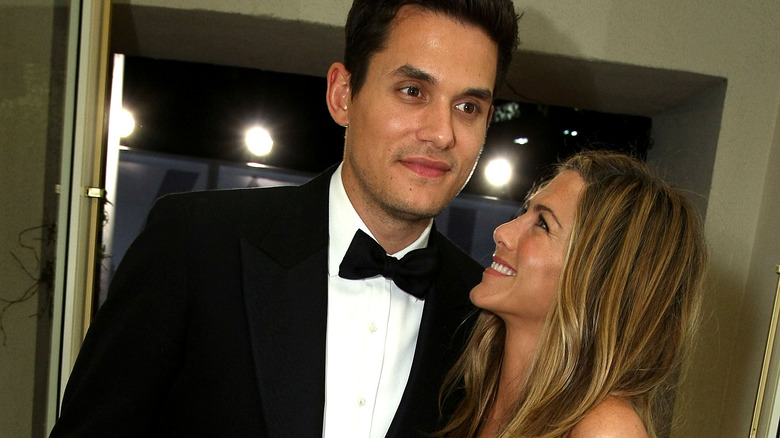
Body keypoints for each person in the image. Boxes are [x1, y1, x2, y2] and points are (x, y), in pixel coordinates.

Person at [49, 1, 520, 437]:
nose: (441, 133)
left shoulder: (485, 316)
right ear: (343, 94)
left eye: (468, 107)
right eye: (412, 90)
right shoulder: (196, 242)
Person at [438, 150, 708, 438]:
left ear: (595, 278)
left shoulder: (606, 429)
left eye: (542, 224)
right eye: (524, 211)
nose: (502, 232)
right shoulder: (476, 387)